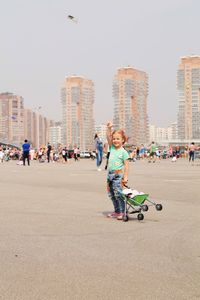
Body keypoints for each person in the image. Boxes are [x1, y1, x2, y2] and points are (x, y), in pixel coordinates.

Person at [106, 122, 129, 220]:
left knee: (119, 194)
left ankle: (123, 212)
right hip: (110, 175)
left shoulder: (123, 152)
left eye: (118, 139)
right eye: (114, 138)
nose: (115, 140)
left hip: (118, 175)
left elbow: (127, 165)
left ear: (122, 140)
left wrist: (126, 176)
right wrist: (109, 128)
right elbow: (108, 137)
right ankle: (117, 211)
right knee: (111, 194)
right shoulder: (111, 148)